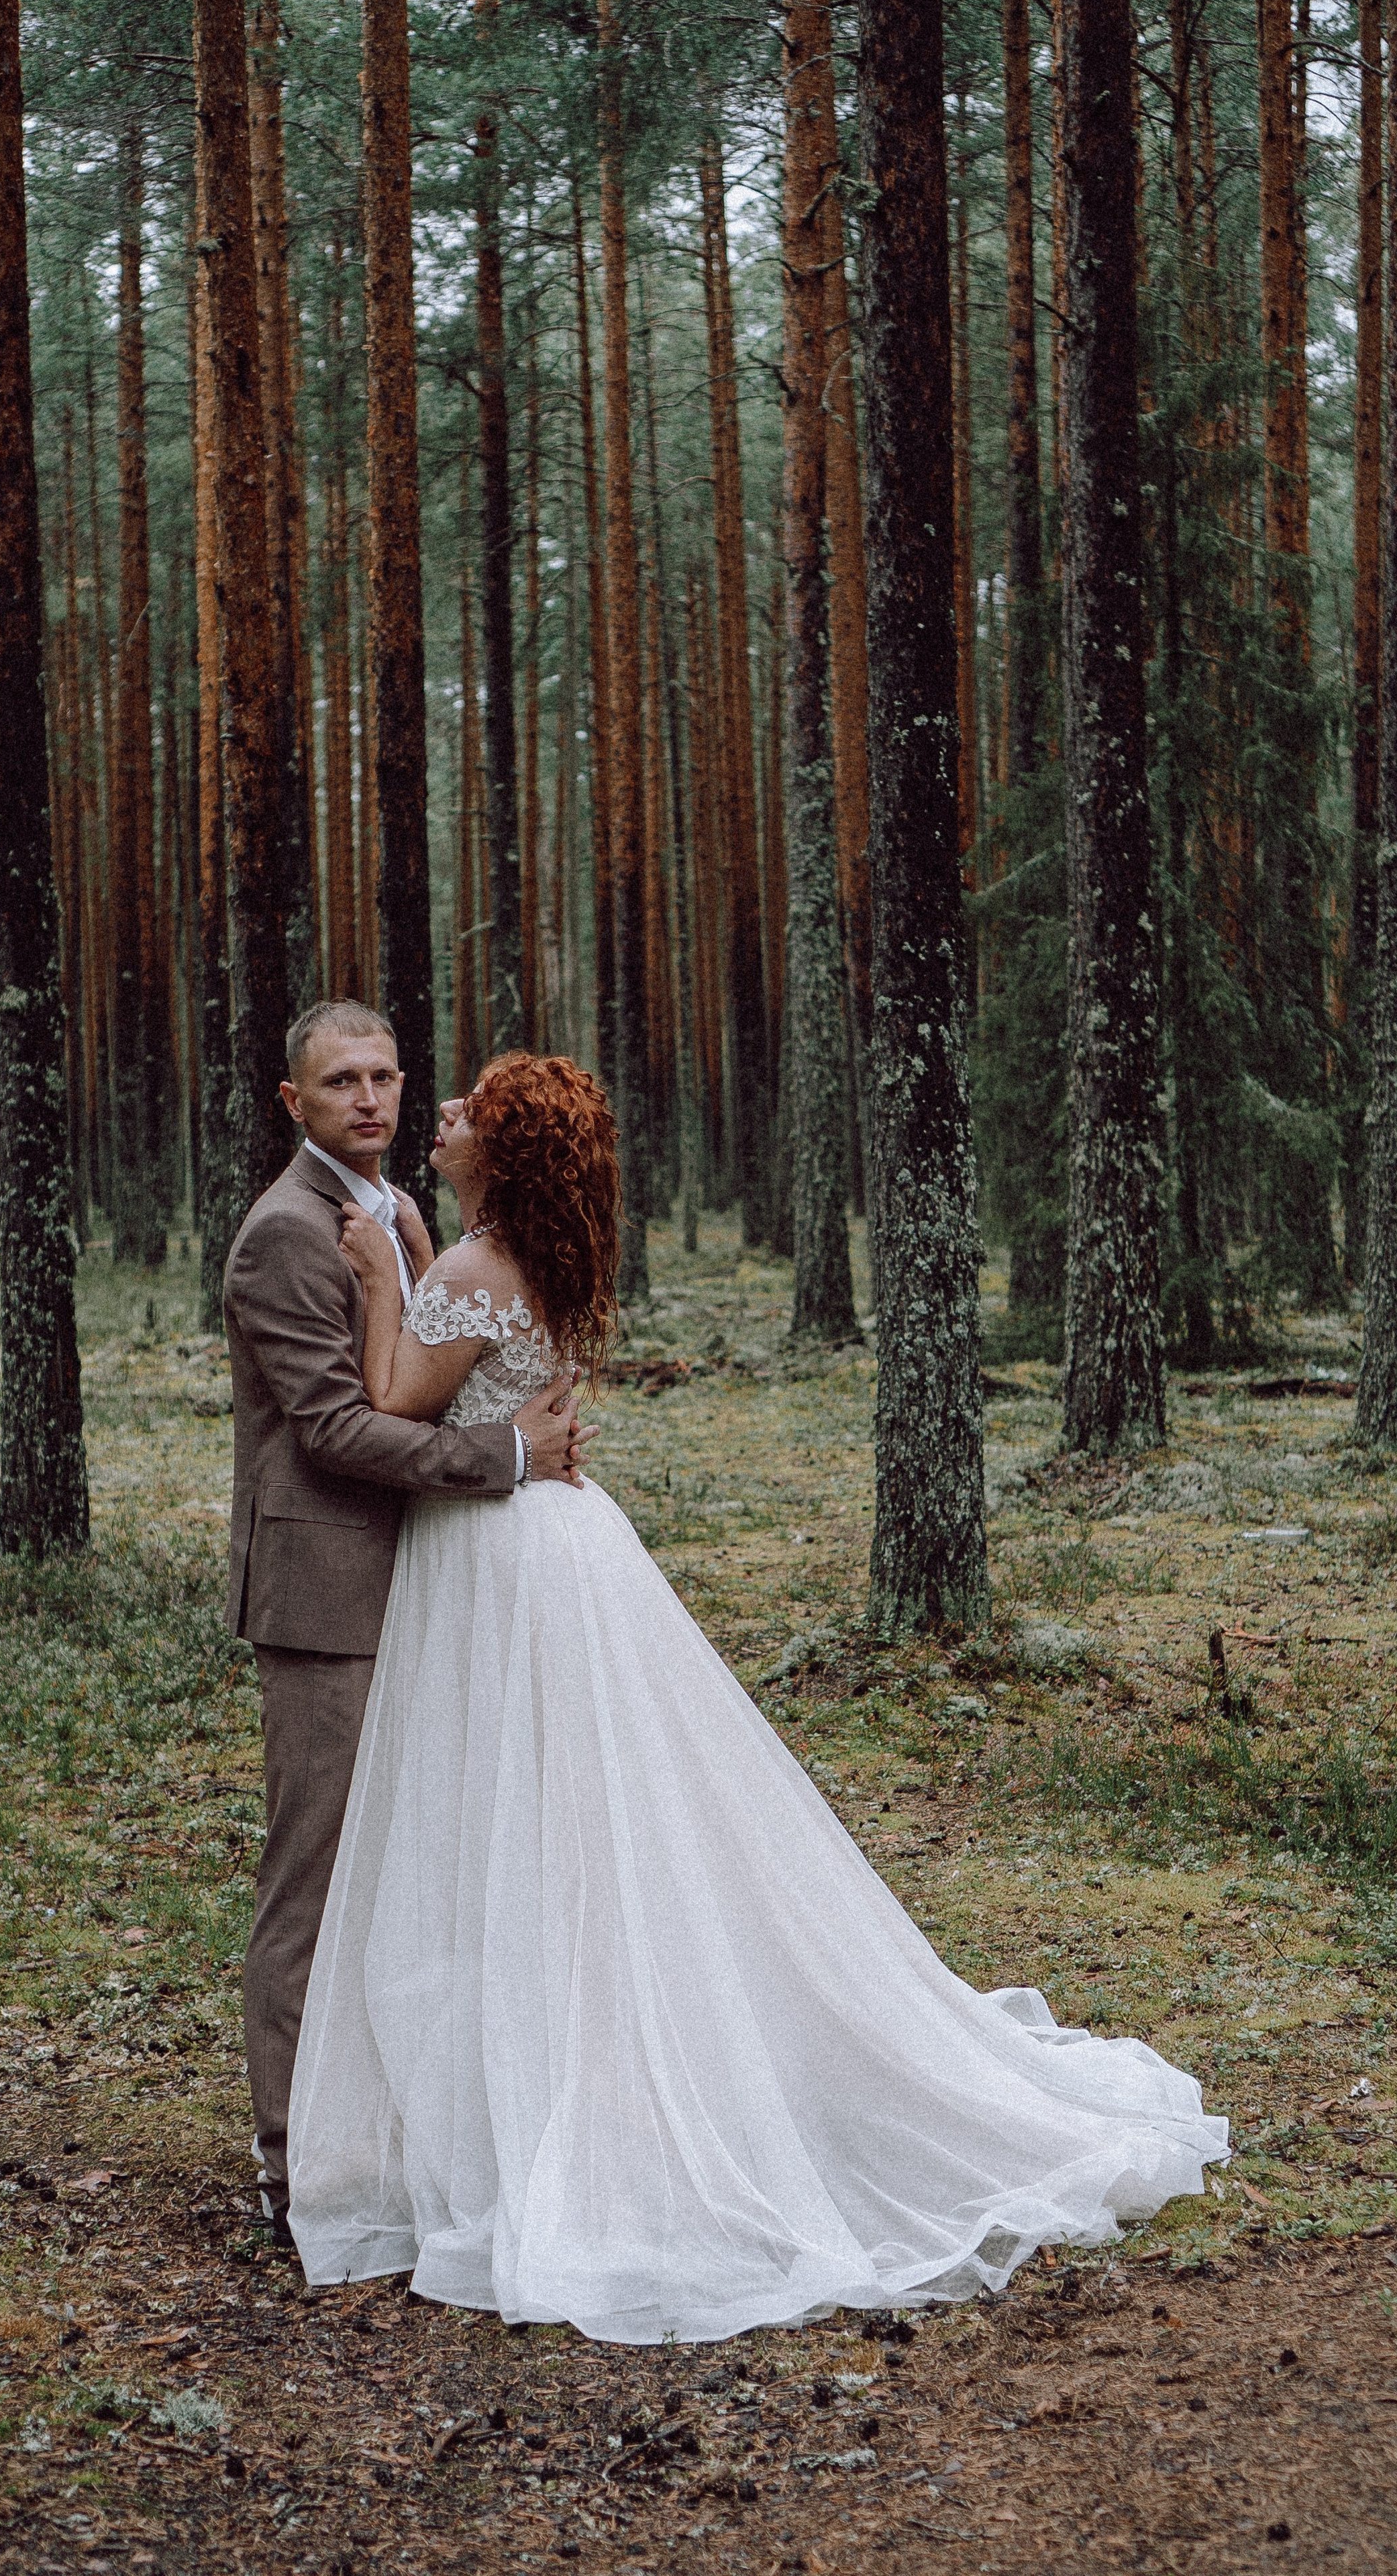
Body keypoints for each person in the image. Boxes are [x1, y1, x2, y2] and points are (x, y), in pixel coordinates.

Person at [287, 1052, 1227, 2344]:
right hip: (557, 1546)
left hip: (498, 1560)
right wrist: (409, 1252)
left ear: (499, 1152)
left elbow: (395, 1398)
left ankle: (557, 2100)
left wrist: (385, 1271)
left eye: (461, 1112)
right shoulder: (525, 1255)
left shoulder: (461, 1269)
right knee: (576, 1824)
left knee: (519, 1822)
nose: (434, 1117)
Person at [223, 1002, 594, 2247]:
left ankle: (406, 2141)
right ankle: (296, 2173)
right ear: (295, 1102)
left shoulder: (401, 1218)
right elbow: (333, 1428)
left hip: (443, 1592)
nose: (372, 1100)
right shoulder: (284, 1235)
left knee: (429, 1879)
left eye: (386, 1076)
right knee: (318, 1886)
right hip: (332, 1604)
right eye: (341, 1082)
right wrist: (503, 1452)